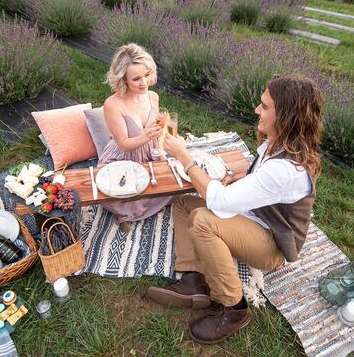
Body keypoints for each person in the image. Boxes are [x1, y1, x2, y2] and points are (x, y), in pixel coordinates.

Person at [147, 74, 323, 344]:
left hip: (271, 244)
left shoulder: (286, 169)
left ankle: (235, 308)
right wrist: (239, 181)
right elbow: (259, 183)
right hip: (254, 218)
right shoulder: (277, 145)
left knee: (203, 219)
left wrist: (184, 156)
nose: (257, 110)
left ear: (286, 115)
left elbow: (221, 202)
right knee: (184, 203)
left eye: (264, 106)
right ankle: (194, 279)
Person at [97, 43, 174, 232]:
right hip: (124, 157)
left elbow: (157, 128)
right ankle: (124, 212)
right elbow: (124, 144)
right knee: (119, 191)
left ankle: (135, 206)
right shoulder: (112, 104)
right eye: (136, 79)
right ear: (123, 79)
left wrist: (162, 140)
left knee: (170, 185)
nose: (144, 83)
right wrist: (147, 135)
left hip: (150, 152)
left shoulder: (152, 96)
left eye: (147, 75)